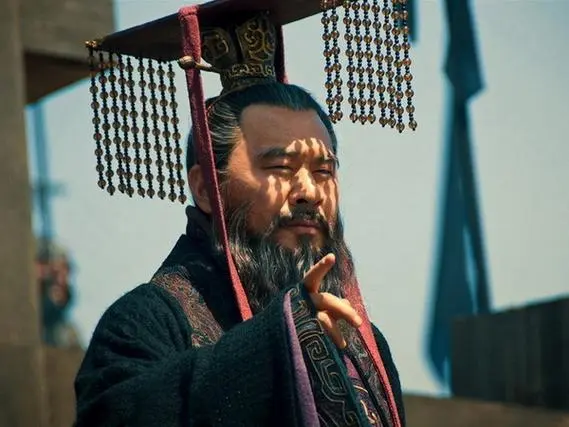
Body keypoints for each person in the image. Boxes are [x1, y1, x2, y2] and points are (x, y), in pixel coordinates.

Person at [76, 2, 416, 426]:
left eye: (323, 171)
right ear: (207, 187)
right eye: (280, 168)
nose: (309, 192)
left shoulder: (360, 340)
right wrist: (282, 336)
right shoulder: (145, 323)